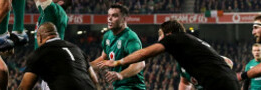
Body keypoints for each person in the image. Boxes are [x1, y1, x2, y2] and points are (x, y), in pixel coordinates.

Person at [99, 20, 239, 90]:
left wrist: (118, 62)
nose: (160, 40)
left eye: (161, 36)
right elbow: (184, 82)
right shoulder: (188, 49)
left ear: (169, 34)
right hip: (228, 83)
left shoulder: (176, 38)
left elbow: (145, 53)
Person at [18, 22, 98, 90]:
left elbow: (24, 87)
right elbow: (94, 79)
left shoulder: (39, 53)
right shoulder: (77, 49)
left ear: (40, 37)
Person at [90, 3, 145, 89]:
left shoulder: (130, 38)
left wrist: (120, 75)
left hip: (132, 87)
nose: (110, 19)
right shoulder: (107, 36)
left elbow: (140, 64)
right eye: (109, 15)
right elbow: (104, 58)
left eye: (114, 16)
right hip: (118, 87)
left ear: (124, 19)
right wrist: (85, 66)